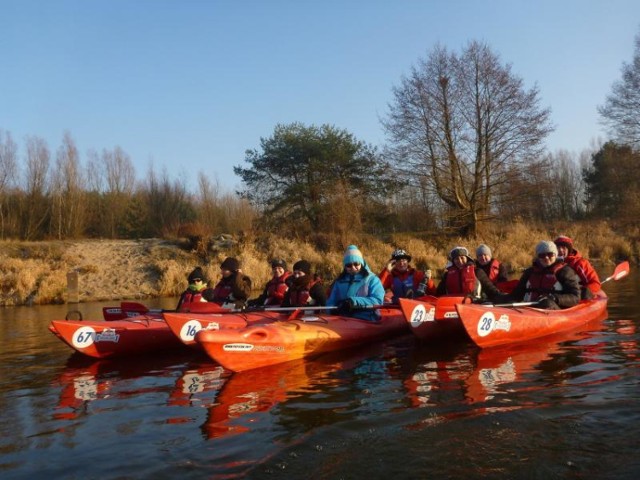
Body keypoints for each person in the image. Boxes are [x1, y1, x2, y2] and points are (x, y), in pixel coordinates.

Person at [503, 240, 581, 310]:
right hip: (530, 309)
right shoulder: (529, 272)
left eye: (550, 254)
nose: (546, 258)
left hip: (555, 310)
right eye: (542, 255)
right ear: (538, 257)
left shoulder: (565, 271)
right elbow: (517, 294)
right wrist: (501, 298)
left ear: (556, 255)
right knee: (503, 299)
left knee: (546, 304)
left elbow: (575, 297)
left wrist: (555, 298)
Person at [326, 245, 385, 321]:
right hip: (343, 320)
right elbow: (331, 301)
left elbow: (378, 301)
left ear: (362, 263)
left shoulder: (372, 280)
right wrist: (331, 310)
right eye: (349, 265)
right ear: (345, 266)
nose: (353, 268)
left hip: (367, 319)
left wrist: (353, 301)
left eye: (356, 264)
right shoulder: (339, 281)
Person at [435, 246, 506, 302]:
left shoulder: (478, 272)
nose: (460, 261)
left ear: (467, 259)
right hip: (453, 305)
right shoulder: (447, 275)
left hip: (474, 305)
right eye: (456, 259)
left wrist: (504, 297)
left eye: (462, 258)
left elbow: (491, 290)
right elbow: (438, 294)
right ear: (453, 261)